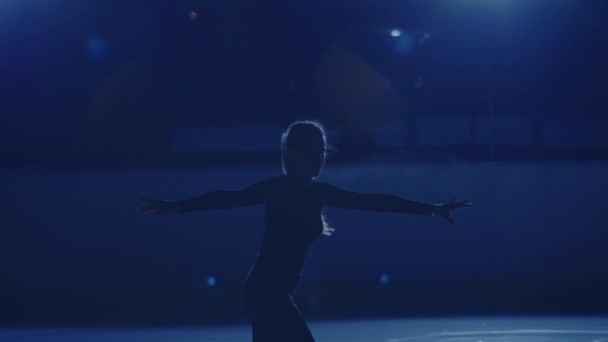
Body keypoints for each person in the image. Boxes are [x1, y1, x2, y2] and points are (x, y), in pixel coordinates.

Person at [139, 120, 471, 341]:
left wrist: (430, 208)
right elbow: (228, 198)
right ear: (293, 153)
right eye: (312, 152)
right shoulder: (277, 188)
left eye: (323, 151)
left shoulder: (320, 192)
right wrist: (180, 205)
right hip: (265, 294)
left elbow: (374, 201)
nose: (319, 158)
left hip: (274, 295)